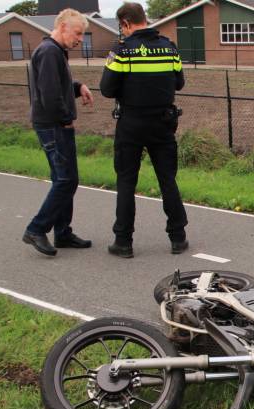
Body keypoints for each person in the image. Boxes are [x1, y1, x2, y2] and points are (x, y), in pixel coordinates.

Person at [100, 2, 188, 259]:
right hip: (162, 123)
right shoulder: (169, 47)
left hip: (131, 124)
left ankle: (123, 241)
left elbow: (106, 89)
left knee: (126, 181)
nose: (122, 32)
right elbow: (179, 83)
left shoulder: (122, 51)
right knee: (167, 180)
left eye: (121, 27)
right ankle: (178, 237)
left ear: (126, 23)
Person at [22, 9, 94, 257]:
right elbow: (49, 94)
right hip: (53, 126)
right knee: (66, 180)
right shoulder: (50, 51)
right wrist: (65, 120)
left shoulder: (55, 51)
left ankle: (62, 233)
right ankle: (36, 228)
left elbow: (57, 85)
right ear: (63, 26)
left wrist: (78, 86)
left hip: (52, 124)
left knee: (63, 180)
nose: (80, 39)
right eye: (77, 32)